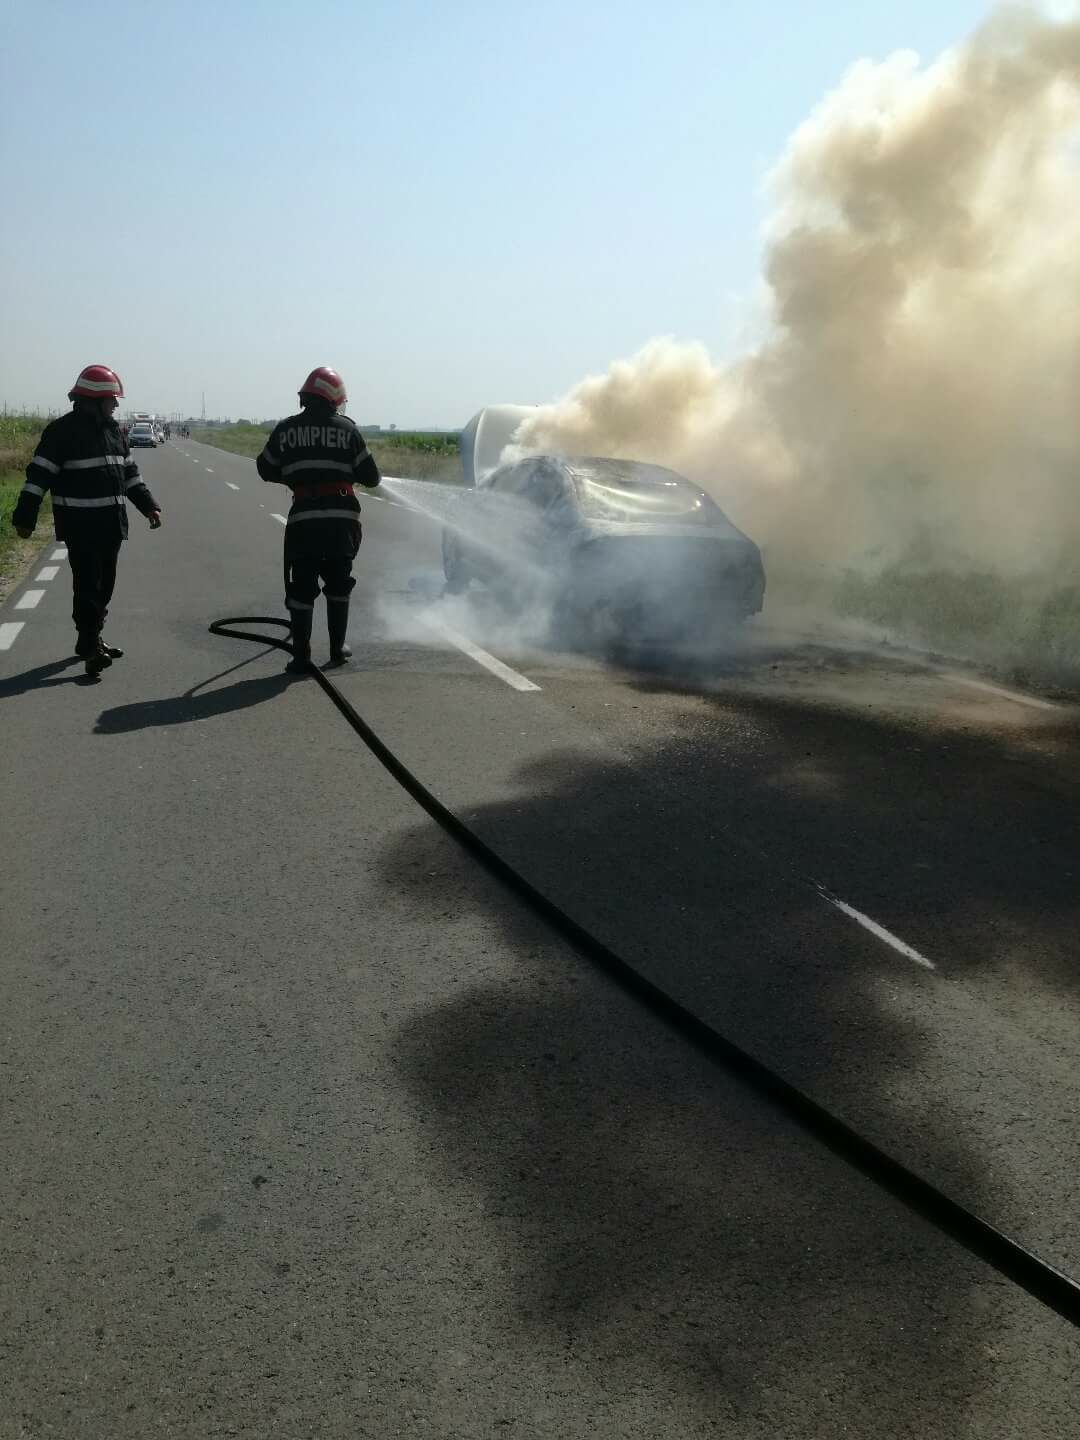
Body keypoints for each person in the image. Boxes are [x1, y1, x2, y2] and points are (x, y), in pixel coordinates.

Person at [13, 365, 163, 677]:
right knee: (87, 585)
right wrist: (25, 516)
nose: (116, 405)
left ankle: (92, 637)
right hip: (80, 525)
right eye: (112, 399)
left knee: (105, 585)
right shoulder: (61, 432)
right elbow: (38, 476)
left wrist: (148, 506)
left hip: (111, 525)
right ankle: (90, 646)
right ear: (93, 400)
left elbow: (130, 475)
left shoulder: (114, 432)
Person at [256, 366, 380, 673]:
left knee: (302, 586)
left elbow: (264, 468)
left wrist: (294, 477)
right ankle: (338, 649)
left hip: (304, 520)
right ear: (334, 398)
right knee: (339, 583)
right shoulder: (348, 430)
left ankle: (301, 657)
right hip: (341, 521)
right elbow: (372, 477)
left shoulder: (286, 429)